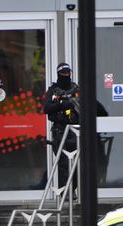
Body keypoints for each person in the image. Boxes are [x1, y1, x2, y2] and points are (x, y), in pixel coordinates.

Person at [43, 62, 79, 192]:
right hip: (60, 130)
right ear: (59, 74)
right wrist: (62, 104)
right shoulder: (53, 90)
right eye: (63, 73)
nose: (66, 75)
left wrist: (74, 104)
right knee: (63, 163)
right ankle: (66, 192)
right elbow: (46, 108)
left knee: (76, 163)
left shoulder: (75, 88)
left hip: (75, 130)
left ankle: (73, 189)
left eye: (67, 72)